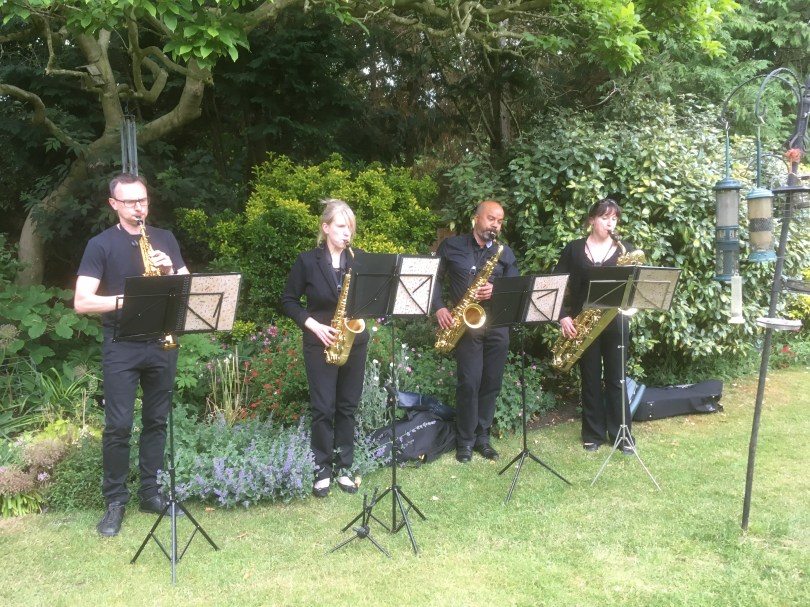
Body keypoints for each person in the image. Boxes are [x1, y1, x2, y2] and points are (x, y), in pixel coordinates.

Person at [74, 173, 189, 537]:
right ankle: (115, 502)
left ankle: (151, 494)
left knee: (157, 421)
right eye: (130, 202)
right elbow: (82, 301)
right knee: (119, 426)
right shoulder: (100, 245)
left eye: (142, 201)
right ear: (114, 205)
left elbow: (191, 290)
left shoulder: (165, 239)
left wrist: (170, 270)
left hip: (161, 342)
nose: (138, 208)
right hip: (121, 344)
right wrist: (127, 300)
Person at [281, 199, 367, 497]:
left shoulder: (358, 260)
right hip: (319, 340)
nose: (347, 233)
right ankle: (322, 469)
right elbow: (288, 301)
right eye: (342, 227)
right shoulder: (307, 261)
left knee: (347, 407)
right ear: (325, 227)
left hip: (353, 341)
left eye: (350, 228)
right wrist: (313, 325)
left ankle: (344, 466)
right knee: (323, 408)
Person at [432, 200, 519, 463]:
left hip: (496, 324)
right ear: (476, 219)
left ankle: (483, 438)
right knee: (469, 383)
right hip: (466, 325)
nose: (496, 225)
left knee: (491, 383)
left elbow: (517, 290)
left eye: (500, 221)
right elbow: (433, 278)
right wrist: (438, 308)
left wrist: (498, 290)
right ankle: (465, 441)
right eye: (491, 219)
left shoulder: (505, 253)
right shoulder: (452, 246)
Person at [553, 198, 636, 454]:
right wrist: (563, 316)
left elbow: (635, 288)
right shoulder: (574, 249)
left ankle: (622, 436)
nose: (610, 223)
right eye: (604, 218)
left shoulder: (625, 249)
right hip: (583, 325)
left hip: (615, 322)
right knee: (589, 380)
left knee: (617, 380)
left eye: (614, 218)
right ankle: (593, 434)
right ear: (591, 220)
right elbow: (555, 283)